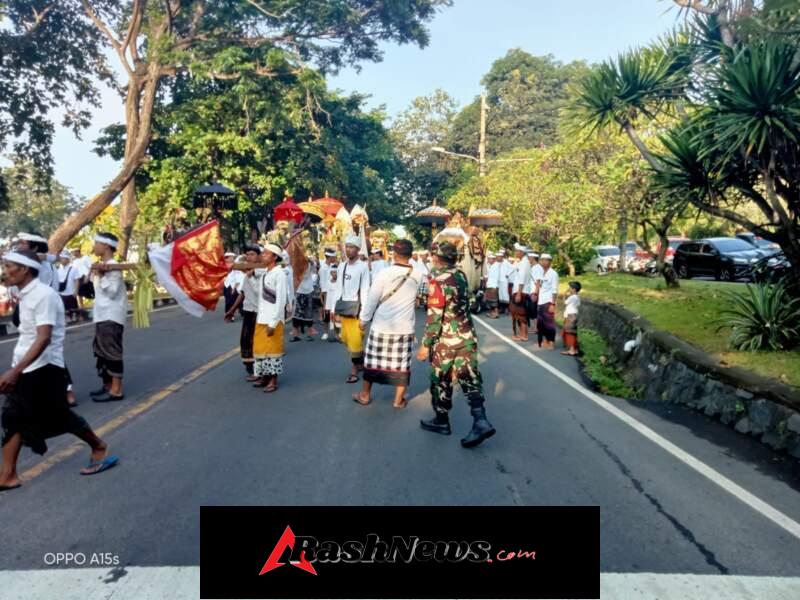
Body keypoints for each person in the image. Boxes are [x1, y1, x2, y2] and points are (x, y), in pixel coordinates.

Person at [0, 250, 118, 492]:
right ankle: (8, 475)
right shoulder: (25, 294)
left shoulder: (43, 295)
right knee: (13, 416)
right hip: (27, 364)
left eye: (9, 265)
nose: (5, 270)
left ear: (24, 269)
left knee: (58, 417)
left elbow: (43, 337)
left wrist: (15, 371)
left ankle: (98, 446)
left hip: (45, 367)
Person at [417, 242, 496, 449]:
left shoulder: (438, 279)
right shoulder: (460, 275)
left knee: (440, 379)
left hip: (447, 340)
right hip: (467, 335)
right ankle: (480, 420)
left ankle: (442, 420)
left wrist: (426, 344)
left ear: (436, 257)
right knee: (470, 378)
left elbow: (435, 315)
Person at [354, 240, 422, 409]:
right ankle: (398, 400)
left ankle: (365, 395)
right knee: (401, 365)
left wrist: (364, 320)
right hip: (404, 328)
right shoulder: (418, 274)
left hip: (381, 326)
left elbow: (372, 298)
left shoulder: (385, 273)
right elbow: (418, 298)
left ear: (394, 254)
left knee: (372, 363)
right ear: (411, 254)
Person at [89, 233, 128, 402]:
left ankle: (116, 390)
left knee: (111, 351)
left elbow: (112, 292)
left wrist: (100, 275)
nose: (94, 246)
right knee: (100, 351)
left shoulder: (114, 267)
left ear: (106, 246)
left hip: (111, 315)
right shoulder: (103, 266)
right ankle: (107, 385)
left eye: (97, 243)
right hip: (101, 315)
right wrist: (96, 272)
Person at [332, 236, 370, 384]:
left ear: (358, 249)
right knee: (345, 339)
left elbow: (365, 289)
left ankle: (355, 368)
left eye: (351, 247)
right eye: (346, 246)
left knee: (354, 341)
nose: (348, 249)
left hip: (356, 309)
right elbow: (338, 288)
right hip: (343, 308)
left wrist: (364, 314)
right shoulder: (342, 266)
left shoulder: (363, 267)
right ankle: (361, 360)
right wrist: (334, 310)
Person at [251, 244, 288, 393]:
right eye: (263, 253)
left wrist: (273, 322)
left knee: (272, 351)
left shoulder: (279, 274)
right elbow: (259, 295)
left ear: (274, 257)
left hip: (273, 319)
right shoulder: (266, 273)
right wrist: (250, 277)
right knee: (260, 349)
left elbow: (281, 300)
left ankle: (273, 380)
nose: (263, 255)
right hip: (262, 318)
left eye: (267, 253)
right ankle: (264, 376)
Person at [225, 245, 262, 379]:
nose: (249, 257)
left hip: (260, 311)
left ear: (258, 256)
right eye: (247, 254)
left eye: (252, 254)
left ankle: (259, 371)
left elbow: (258, 292)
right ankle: (252, 370)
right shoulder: (248, 273)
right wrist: (232, 310)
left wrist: (251, 275)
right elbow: (243, 293)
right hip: (248, 310)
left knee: (257, 342)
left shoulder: (263, 271)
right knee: (246, 340)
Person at [536, 253, 559, 349]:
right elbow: (542, 287)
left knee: (549, 323)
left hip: (548, 301)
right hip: (541, 301)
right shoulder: (541, 273)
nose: (542, 262)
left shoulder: (553, 274)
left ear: (549, 262)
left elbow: (554, 290)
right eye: (541, 260)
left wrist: (553, 304)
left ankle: (552, 342)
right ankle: (545, 340)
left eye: (545, 260)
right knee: (541, 323)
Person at [291, 259, 316, 342]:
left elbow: (304, 275)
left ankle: (310, 334)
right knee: (296, 315)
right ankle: (296, 335)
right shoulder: (297, 264)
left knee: (308, 314)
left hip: (307, 290)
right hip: (299, 290)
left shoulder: (310, 264)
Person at [511, 243, 532, 341]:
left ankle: (524, 335)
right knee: (518, 314)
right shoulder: (523, 262)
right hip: (520, 291)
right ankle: (522, 334)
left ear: (521, 252)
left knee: (521, 314)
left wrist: (519, 293)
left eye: (517, 251)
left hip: (521, 292)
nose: (515, 253)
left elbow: (522, 279)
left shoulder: (524, 263)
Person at [320, 249, 339, 342]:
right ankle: (325, 332)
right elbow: (322, 282)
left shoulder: (333, 266)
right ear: (329, 257)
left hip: (334, 292)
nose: (335, 258)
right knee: (326, 315)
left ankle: (336, 333)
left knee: (335, 315)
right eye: (334, 257)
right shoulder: (323, 268)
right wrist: (322, 295)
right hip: (326, 292)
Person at [57, 251, 81, 323]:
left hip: (71, 292)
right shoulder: (58, 270)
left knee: (73, 307)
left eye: (63, 258)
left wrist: (76, 291)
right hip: (62, 292)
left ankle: (75, 316)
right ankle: (67, 317)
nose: (61, 260)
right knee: (64, 307)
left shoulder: (73, 269)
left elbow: (77, 280)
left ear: (67, 259)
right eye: (61, 258)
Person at [562, 281, 582, 356]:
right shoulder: (577, 297)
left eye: (570, 288)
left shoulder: (572, 297)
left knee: (569, 332)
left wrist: (564, 294)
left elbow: (564, 302)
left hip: (570, 316)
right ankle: (575, 349)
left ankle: (572, 350)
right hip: (574, 315)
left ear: (574, 289)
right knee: (572, 332)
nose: (569, 289)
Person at [222, 252, 243, 318]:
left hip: (234, 285)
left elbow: (239, 276)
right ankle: (229, 314)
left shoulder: (235, 265)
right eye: (230, 257)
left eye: (232, 257)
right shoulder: (223, 266)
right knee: (228, 300)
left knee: (238, 299)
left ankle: (241, 311)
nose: (232, 258)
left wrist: (236, 286)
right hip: (226, 285)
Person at [485, 252, 501, 319]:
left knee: (494, 301)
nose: (488, 260)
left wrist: (494, 287)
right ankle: (493, 313)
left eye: (489, 259)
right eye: (488, 259)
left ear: (493, 259)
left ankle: (496, 313)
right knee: (491, 300)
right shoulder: (492, 266)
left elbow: (495, 277)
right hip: (490, 285)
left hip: (493, 286)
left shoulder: (496, 266)